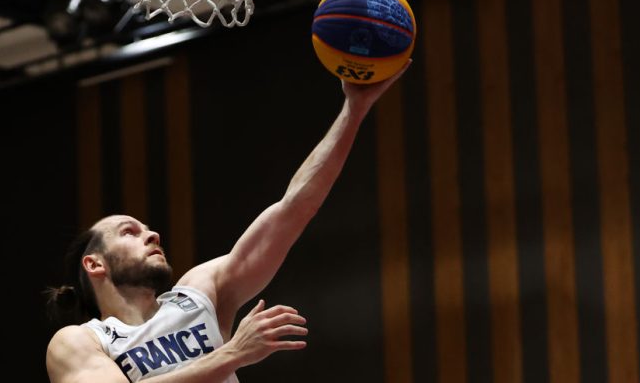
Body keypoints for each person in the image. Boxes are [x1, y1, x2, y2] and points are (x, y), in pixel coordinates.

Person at [45, 61, 411, 383]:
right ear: (95, 264)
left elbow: (292, 210)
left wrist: (354, 109)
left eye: (147, 228)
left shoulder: (198, 294)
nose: (152, 233)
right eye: (130, 231)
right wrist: (233, 354)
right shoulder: (82, 341)